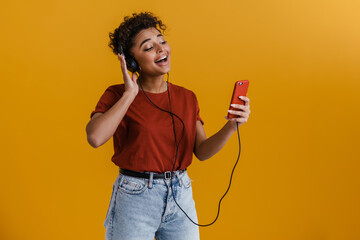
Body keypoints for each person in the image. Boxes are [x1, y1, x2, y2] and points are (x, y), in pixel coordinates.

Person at [85, 12, 250, 240]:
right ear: (131, 61)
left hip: (180, 193)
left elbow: (201, 151)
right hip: (135, 197)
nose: (161, 49)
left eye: (162, 41)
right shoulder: (117, 95)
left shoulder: (187, 97)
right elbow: (95, 137)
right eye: (148, 47)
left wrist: (232, 126)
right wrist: (130, 94)